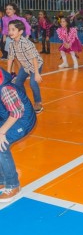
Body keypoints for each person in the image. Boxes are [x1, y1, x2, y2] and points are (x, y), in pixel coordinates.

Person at [0, 67, 36, 202]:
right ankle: (2, 179)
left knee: (1, 145)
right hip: (7, 116)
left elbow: (17, 112)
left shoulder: (5, 89)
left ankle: (13, 185)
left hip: (22, 120)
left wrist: (2, 132)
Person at [7, 20, 44, 114]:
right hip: (25, 66)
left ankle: (38, 102)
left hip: (36, 65)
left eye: (13, 29)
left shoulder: (26, 43)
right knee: (18, 83)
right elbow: (10, 59)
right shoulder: (11, 44)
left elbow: (34, 58)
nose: (10, 32)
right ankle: (25, 100)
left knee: (33, 83)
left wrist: (36, 73)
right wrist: (8, 73)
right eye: (9, 29)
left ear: (20, 32)